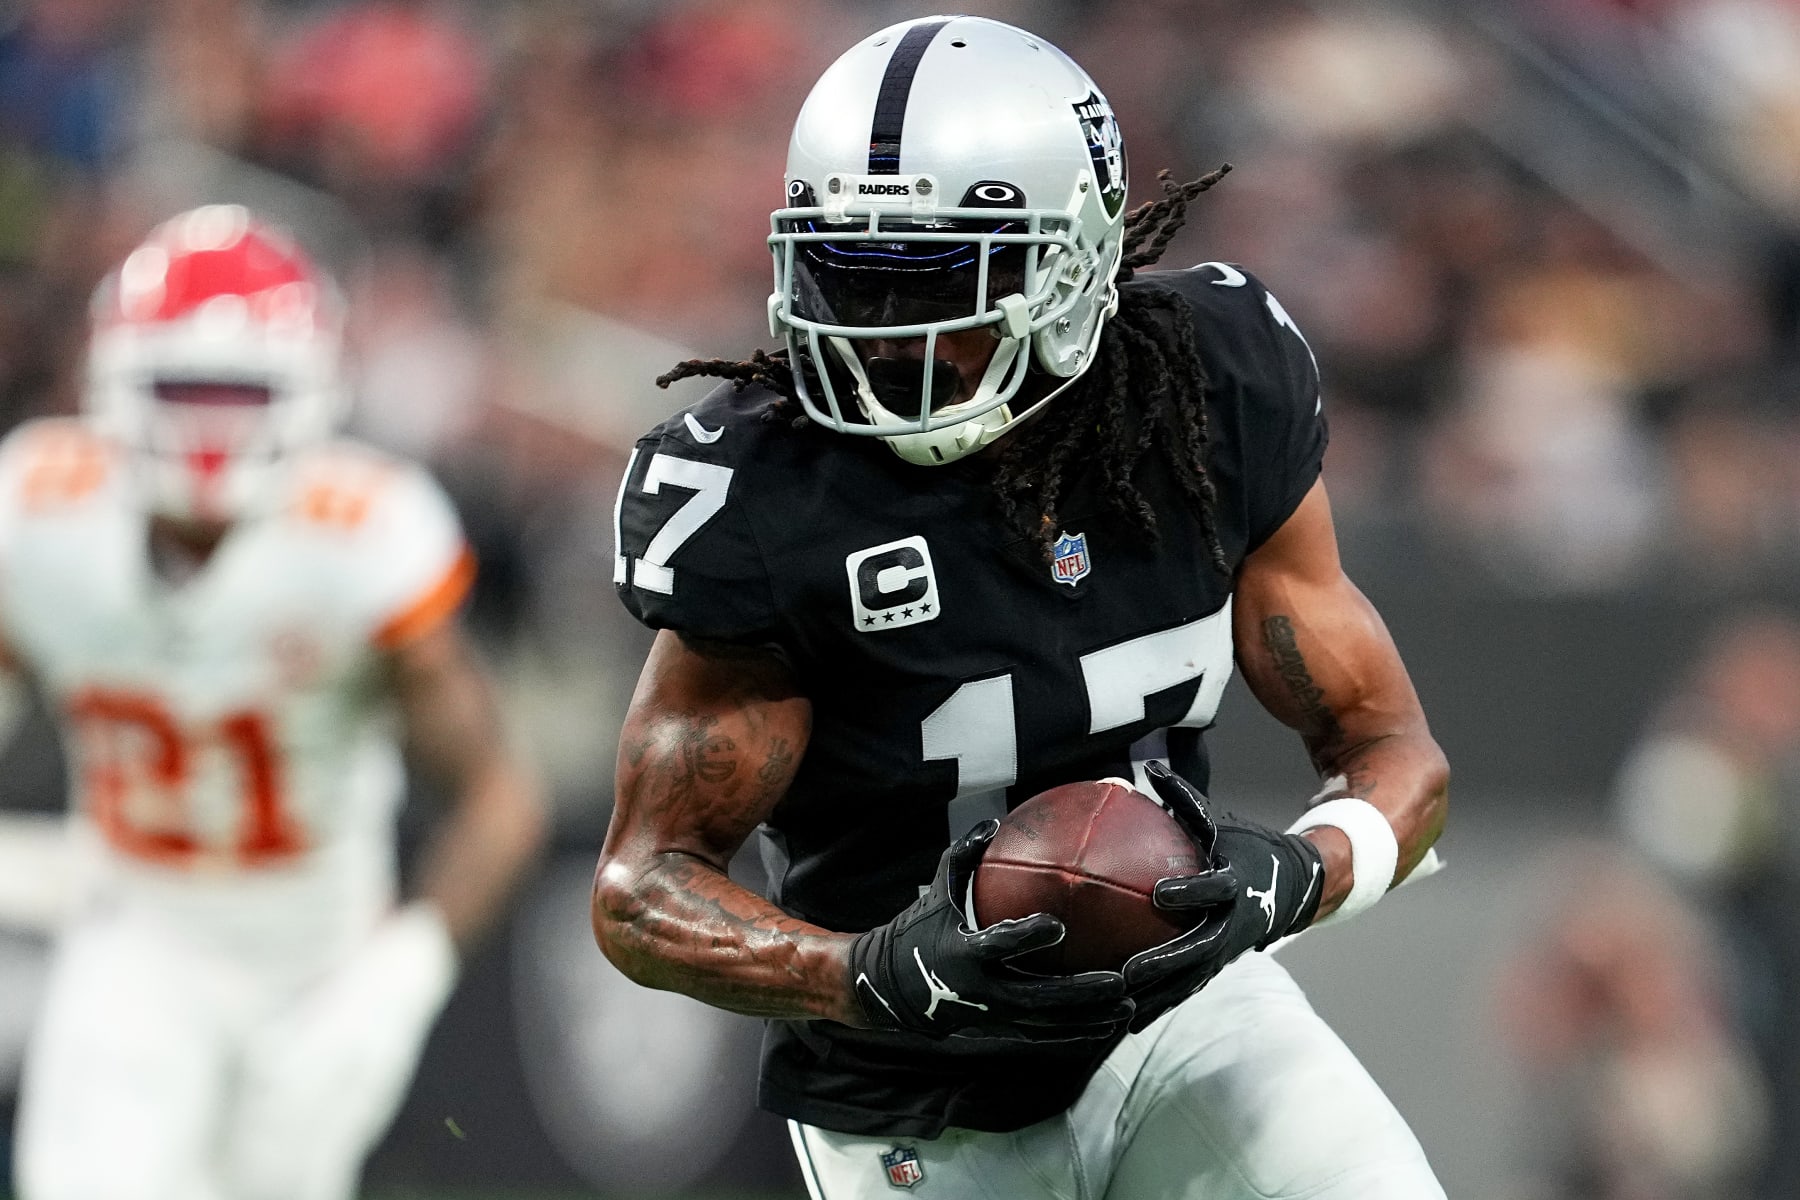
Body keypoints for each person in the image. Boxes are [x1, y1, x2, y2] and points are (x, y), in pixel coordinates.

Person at [596, 15, 1449, 1199]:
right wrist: (869, 972)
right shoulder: (761, 493)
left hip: (1182, 1006)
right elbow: (642, 891)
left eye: (941, 278)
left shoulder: (1212, 384)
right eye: (852, 274)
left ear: (1076, 260)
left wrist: (1297, 876)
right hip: (912, 1090)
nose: (888, 334)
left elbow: (1394, 753)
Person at [7, 204, 546, 1200]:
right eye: (182, 389)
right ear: (112, 380)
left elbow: (500, 798)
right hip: (138, 933)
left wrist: (399, 978)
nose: (209, 426)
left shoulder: (362, 536)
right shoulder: (40, 511)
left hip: (318, 962)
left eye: (240, 392)